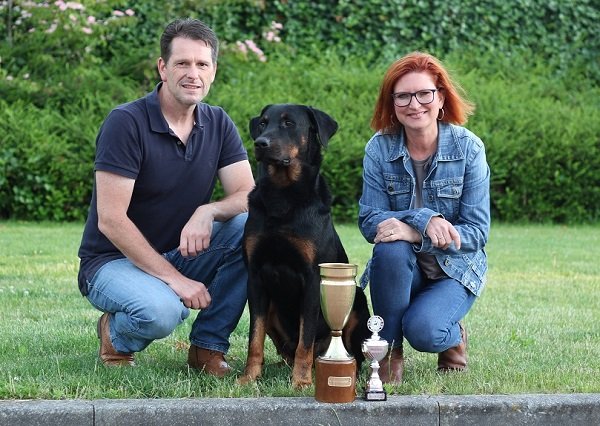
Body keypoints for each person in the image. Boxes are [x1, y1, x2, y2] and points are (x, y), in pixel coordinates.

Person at [77, 18, 255, 376]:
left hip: (180, 252)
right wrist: (176, 280)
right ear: (163, 67)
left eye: (202, 64)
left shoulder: (218, 123)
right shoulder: (126, 122)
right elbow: (111, 220)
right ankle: (114, 334)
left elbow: (249, 195)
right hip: (113, 261)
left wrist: (208, 211)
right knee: (162, 312)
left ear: (213, 71)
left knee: (250, 227)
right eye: (182, 63)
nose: (193, 74)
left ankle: (208, 347)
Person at [358, 51, 490, 384]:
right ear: (392, 103)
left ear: (441, 97)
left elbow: (476, 233)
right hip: (403, 269)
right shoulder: (379, 148)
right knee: (390, 246)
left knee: (425, 331)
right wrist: (424, 218)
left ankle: (453, 336)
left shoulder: (469, 149)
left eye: (424, 94)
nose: (414, 104)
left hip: (454, 269)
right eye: (403, 96)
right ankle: (388, 355)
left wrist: (416, 232)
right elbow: (370, 220)